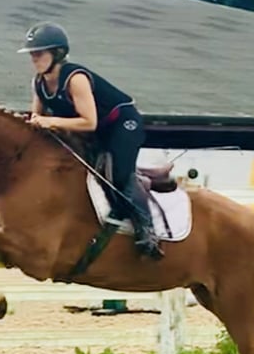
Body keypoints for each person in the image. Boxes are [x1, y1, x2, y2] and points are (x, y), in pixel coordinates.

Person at [18, 21, 163, 260]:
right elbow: (38, 120)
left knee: (117, 174)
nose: (33, 58)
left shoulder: (75, 78)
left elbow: (89, 122)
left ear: (57, 53)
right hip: (94, 129)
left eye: (38, 53)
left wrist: (49, 122)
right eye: (32, 53)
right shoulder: (38, 83)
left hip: (122, 123)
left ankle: (146, 229)